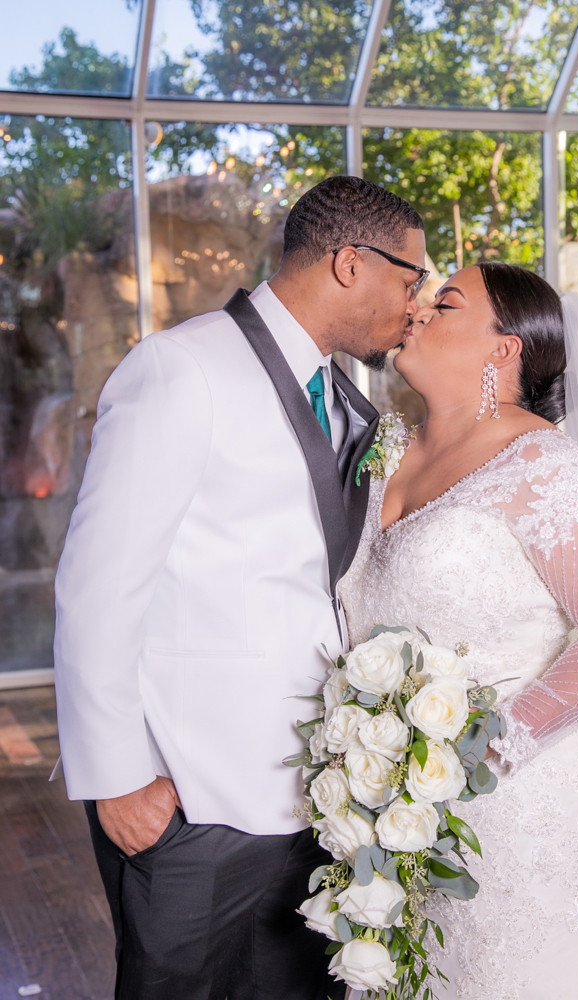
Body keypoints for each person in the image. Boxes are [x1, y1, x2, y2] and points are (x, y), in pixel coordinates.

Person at [52, 175, 427, 999]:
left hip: (310, 796)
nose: (415, 305)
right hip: (191, 800)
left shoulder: (341, 392)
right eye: (410, 279)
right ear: (348, 263)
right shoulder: (181, 368)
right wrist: (118, 777)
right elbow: (98, 584)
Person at [339, 262, 578, 998]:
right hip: (394, 803)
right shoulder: (384, 449)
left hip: (523, 809)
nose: (419, 310)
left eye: (445, 301)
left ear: (504, 350)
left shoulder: (542, 463)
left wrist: (495, 747)